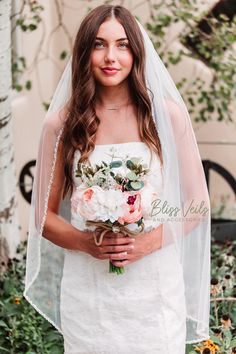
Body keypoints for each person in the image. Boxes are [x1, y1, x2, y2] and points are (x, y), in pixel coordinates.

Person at [23, 4, 211, 354]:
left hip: (155, 292)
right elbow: (42, 217)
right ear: (84, 52)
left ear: (136, 52)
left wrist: (147, 242)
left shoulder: (166, 118)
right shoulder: (62, 125)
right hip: (90, 295)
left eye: (122, 44)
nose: (111, 56)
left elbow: (197, 205)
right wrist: (85, 243)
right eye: (99, 44)